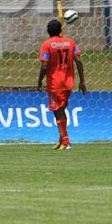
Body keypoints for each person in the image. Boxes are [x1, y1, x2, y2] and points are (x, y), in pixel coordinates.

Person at [37, 20, 87, 150]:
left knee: (57, 111)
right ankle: (62, 140)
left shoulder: (47, 44)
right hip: (68, 82)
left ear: (48, 31)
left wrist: (39, 80)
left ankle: (66, 141)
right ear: (60, 30)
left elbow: (45, 65)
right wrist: (82, 81)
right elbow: (78, 60)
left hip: (55, 83)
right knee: (61, 110)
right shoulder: (70, 42)